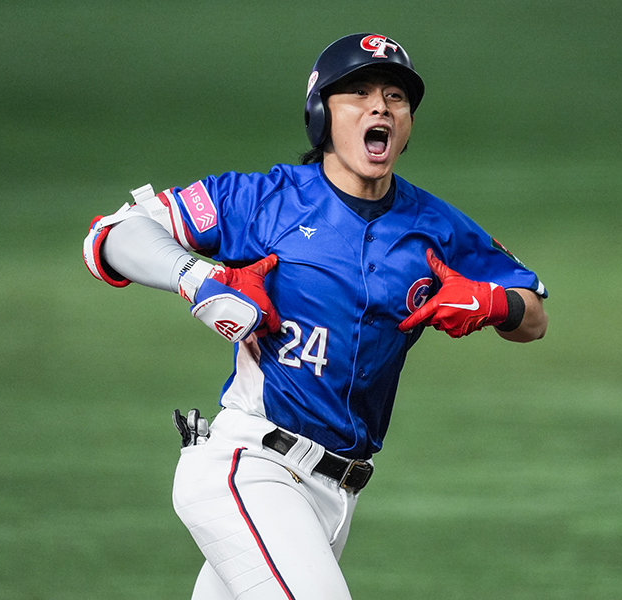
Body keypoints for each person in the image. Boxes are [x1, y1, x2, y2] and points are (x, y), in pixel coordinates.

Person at [83, 33, 548, 600]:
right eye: (357, 91)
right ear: (321, 114)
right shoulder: (263, 200)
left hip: (336, 496)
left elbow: (534, 315)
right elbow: (112, 235)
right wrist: (202, 279)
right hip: (251, 468)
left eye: (395, 96)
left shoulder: (438, 226)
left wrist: (494, 304)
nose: (380, 106)